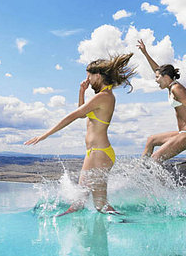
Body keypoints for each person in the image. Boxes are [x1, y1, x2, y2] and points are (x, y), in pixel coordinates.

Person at [24, 54, 135, 215]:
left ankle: (127, 223)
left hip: (100, 153)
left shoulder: (104, 96)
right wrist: (81, 91)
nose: (87, 79)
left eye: (89, 76)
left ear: (98, 75)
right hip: (94, 153)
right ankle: (70, 221)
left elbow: (73, 115)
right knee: (83, 200)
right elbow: (82, 114)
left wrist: (45, 135)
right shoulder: (102, 96)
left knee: (99, 204)